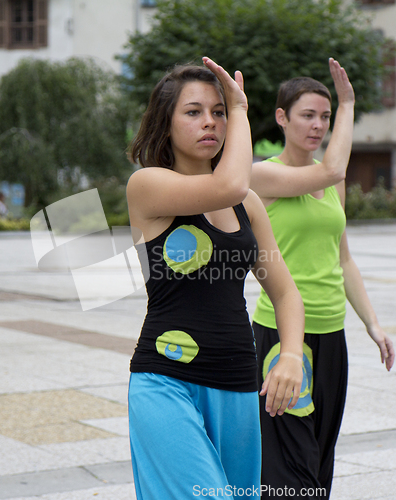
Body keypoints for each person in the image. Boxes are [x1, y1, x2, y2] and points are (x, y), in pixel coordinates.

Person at [126, 57, 305, 500]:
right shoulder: (148, 185)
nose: (210, 122)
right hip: (166, 380)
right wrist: (241, 107)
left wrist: (291, 356)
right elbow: (227, 184)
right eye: (193, 112)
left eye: (219, 112)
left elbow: (284, 292)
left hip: (238, 386)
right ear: (165, 125)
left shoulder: (248, 205)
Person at [250, 58, 396, 499]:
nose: (318, 126)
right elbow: (331, 167)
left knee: (319, 459)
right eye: (307, 115)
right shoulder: (264, 175)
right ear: (281, 118)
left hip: (332, 335)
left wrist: (372, 323)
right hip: (282, 335)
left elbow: (344, 259)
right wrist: (349, 101)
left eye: (326, 116)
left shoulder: (334, 185)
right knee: (289, 468)